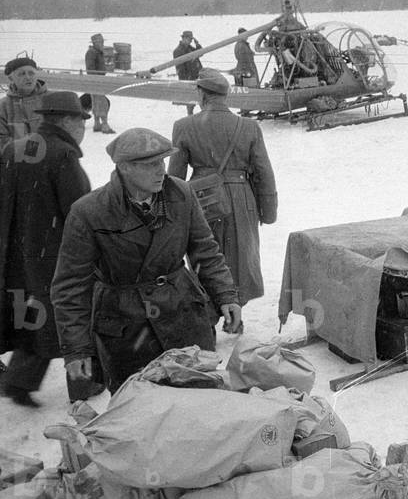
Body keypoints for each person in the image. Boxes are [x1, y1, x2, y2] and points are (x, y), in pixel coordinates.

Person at [51, 127, 242, 393]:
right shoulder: (89, 212)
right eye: (151, 164)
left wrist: (225, 294)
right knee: (141, 410)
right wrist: (76, 347)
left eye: (162, 161)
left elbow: (205, 251)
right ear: (125, 168)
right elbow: (70, 286)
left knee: (199, 399)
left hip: (184, 315)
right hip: (128, 328)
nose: (161, 170)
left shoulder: (181, 194)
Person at [0, 92, 96, 407]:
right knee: (73, 314)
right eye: (81, 120)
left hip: (17, 251)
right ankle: (83, 386)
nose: (82, 127)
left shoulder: (12, 148)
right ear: (67, 120)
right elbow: (79, 210)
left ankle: (18, 380)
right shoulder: (63, 154)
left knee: (33, 316)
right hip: (55, 252)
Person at [168, 69, 278, 319]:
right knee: (241, 258)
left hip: (202, 200)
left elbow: (175, 177)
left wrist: (174, 216)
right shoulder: (248, 127)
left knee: (205, 255)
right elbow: (264, 173)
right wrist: (268, 212)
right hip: (242, 200)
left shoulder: (184, 126)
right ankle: (235, 309)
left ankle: (209, 313)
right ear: (225, 95)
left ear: (202, 94)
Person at [0, 57, 47, 151]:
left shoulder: (52, 99)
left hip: (52, 160)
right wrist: (29, 150)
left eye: (31, 73)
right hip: (16, 162)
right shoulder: (4, 106)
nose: (28, 77)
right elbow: (1, 139)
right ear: (11, 78)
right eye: (21, 74)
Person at [84, 34, 115, 133]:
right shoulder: (91, 53)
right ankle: (104, 125)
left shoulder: (98, 52)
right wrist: (97, 78)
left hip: (99, 80)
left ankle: (97, 124)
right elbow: (90, 69)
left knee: (97, 102)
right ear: (95, 43)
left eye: (102, 42)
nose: (102, 44)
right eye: (100, 42)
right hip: (96, 81)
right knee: (102, 103)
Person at [173, 30, 203, 115]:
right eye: (190, 39)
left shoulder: (190, 48)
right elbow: (180, 68)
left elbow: (200, 53)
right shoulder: (178, 51)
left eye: (191, 39)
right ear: (184, 38)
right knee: (190, 101)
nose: (190, 41)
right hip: (188, 78)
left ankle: (202, 115)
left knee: (201, 97)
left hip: (196, 76)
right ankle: (190, 116)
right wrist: (185, 80)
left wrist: (197, 44)